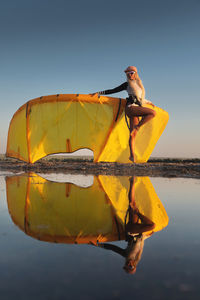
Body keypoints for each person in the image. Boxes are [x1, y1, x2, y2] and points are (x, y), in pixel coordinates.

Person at [91, 66, 156, 162]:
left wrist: (149, 102)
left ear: (135, 73)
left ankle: (132, 156)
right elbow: (113, 90)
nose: (129, 74)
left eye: (131, 72)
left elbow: (140, 99)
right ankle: (138, 127)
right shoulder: (127, 84)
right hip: (131, 108)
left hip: (137, 108)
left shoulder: (139, 84)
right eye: (128, 73)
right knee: (152, 113)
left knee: (132, 135)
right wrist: (98, 93)